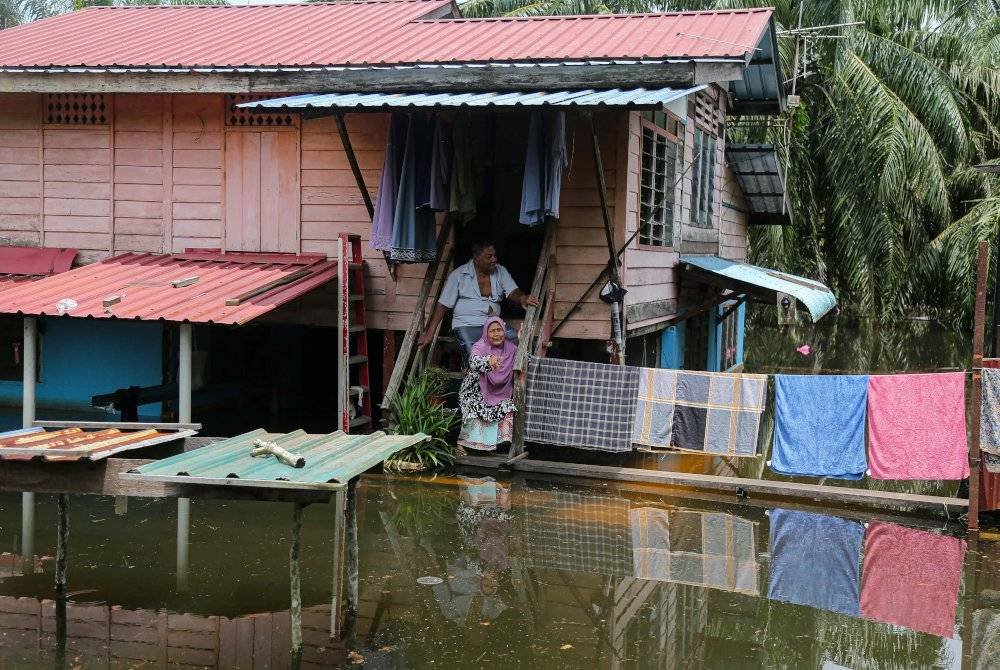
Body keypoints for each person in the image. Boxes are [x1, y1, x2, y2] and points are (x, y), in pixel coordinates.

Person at [417, 240, 538, 364]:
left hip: (494, 323)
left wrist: (523, 298)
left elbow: (513, 291)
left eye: (495, 255)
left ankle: (504, 378)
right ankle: (474, 377)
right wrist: (430, 333)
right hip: (466, 324)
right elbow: (443, 304)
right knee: (474, 357)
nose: (494, 259)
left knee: (516, 342)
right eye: (489, 256)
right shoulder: (459, 275)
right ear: (476, 258)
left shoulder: (500, 271)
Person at [457, 316, 517, 453]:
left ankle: (490, 445)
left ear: (504, 331)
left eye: (499, 330)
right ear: (486, 333)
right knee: (474, 404)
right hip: (474, 390)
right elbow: (473, 362)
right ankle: (462, 444)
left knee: (507, 405)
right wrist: (488, 362)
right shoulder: (480, 346)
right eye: (492, 331)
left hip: (498, 392)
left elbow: (526, 359)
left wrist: (524, 341)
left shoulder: (511, 348)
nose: (496, 334)